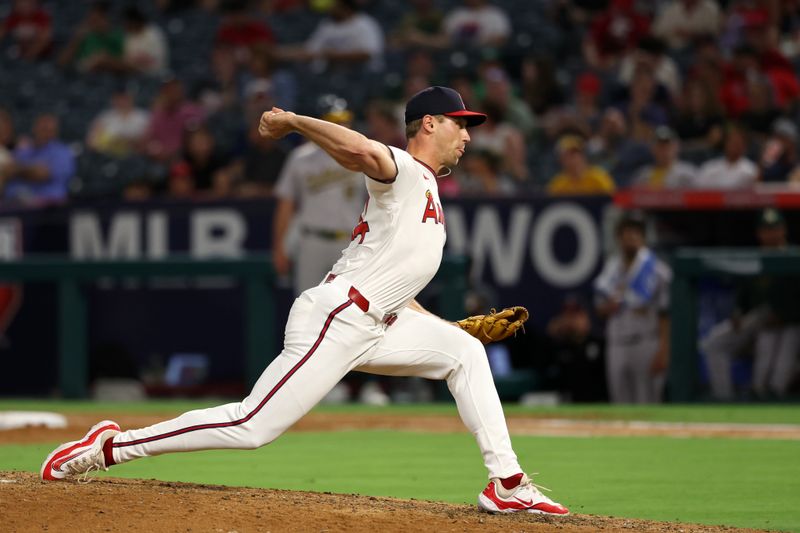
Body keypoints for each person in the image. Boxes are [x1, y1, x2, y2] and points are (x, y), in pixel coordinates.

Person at [41, 85, 569, 517]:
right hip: (339, 317)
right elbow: (361, 150)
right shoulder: (405, 170)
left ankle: (508, 483)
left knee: (466, 354)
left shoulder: (425, 187)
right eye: (459, 123)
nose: (467, 134)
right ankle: (108, 448)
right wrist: (295, 120)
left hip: (377, 319)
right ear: (428, 123)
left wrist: (452, 328)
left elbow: (398, 294)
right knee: (252, 427)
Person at [702, 208, 800, 400]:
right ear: (759, 233)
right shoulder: (753, 257)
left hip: (790, 325)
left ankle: (771, 392)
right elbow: (743, 297)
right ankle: (724, 399)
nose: (771, 234)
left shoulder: (795, 256)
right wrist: (738, 312)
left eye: (775, 228)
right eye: (766, 229)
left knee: (775, 348)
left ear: (783, 230)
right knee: (713, 343)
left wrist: (787, 316)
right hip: (757, 320)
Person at [272, 96, 365, 295]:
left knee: (349, 310)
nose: (341, 126)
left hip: (349, 243)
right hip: (312, 240)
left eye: (344, 121)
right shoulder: (301, 157)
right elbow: (286, 203)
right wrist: (280, 246)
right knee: (307, 307)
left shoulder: (362, 155)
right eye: (334, 121)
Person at [594, 211, 672, 403]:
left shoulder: (657, 270)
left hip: (645, 342)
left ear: (644, 237)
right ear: (619, 238)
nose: (630, 237)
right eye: (626, 233)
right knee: (619, 404)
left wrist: (663, 350)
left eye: (635, 233)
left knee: (648, 403)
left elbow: (665, 314)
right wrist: (608, 307)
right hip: (616, 343)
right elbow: (599, 309)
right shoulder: (610, 269)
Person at [1, 114, 75, 204]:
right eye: (42, 128)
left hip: (49, 208)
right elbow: (7, 170)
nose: (45, 133)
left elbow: (41, 174)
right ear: (34, 128)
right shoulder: (24, 150)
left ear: (56, 132)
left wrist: (17, 170)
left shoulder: (62, 152)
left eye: (49, 130)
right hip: (15, 204)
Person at [86, 87, 150, 158]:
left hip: (137, 155)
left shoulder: (143, 117)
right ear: (113, 100)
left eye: (125, 99)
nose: (122, 102)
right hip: (109, 156)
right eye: (119, 99)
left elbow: (149, 140)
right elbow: (91, 142)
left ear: (131, 99)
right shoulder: (105, 117)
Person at [547, 134, 616, 195]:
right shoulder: (558, 183)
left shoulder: (598, 177)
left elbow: (611, 200)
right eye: (566, 155)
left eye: (574, 154)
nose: (571, 159)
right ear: (561, 160)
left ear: (583, 156)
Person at [694, 124, 758, 189]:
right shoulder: (710, 168)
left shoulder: (751, 170)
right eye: (731, 142)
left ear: (744, 147)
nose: (734, 147)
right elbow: (697, 189)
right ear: (725, 144)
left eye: (737, 143)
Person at [631, 126, 697, 189]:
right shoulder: (642, 175)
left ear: (677, 147)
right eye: (660, 146)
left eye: (668, 145)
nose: (664, 150)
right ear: (652, 148)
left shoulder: (687, 173)